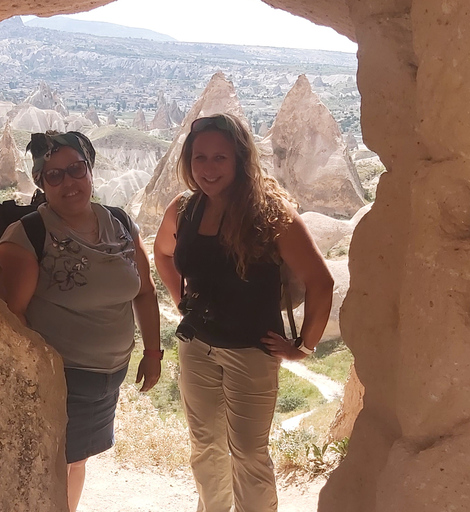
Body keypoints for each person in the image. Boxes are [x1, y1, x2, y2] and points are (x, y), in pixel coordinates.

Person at [153, 113, 334, 512]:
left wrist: (303, 348)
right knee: (205, 448)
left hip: (251, 353)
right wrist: (179, 301)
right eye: (200, 158)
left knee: (249, 454)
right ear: (188, 161)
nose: (208, 169)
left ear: (239, 159)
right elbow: (163, 253)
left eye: (220, 158)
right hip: (196, 347)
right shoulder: (184, 209)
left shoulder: (270, 215)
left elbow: (322, 283)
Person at [0, 131, 162, 512]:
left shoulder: (120, 224)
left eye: (76, 169)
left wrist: (153, 351)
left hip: (109, 375)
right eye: (54, 175)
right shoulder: (28, 236)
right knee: (52, 461)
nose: (68, 182)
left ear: (90, 170)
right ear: (41, 182)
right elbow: (9, 317)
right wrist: (41, 376)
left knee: (77, 459)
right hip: (62, 378)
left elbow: (145, 291)